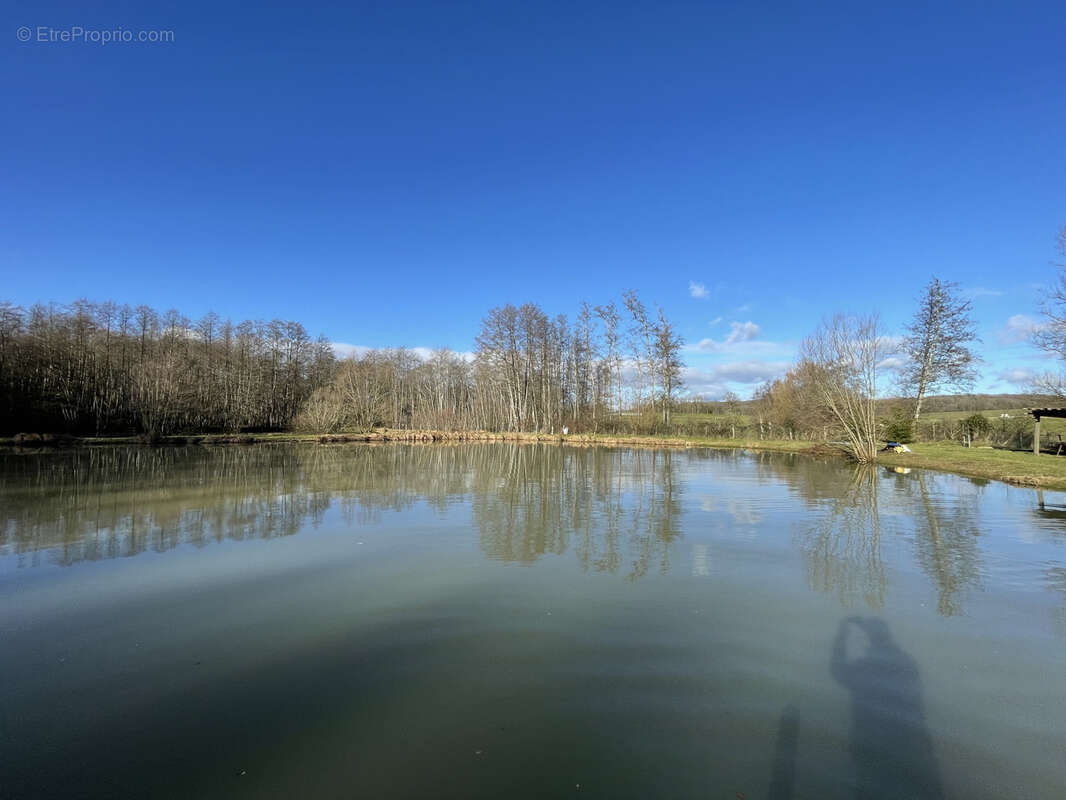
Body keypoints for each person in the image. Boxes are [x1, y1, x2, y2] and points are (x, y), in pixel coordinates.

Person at [830, 617, 944, 799]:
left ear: (869, 640)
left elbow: (837, 669)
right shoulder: (908, 663)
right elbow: (918, 705)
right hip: (906, 738)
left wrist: (842, 632)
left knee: (869, 786)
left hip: (869, 740)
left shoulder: (864, 666)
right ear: (889, 637)